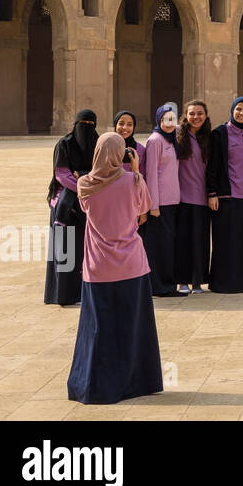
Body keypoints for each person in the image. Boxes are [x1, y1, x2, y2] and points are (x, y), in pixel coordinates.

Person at [67, 131, 163, 404]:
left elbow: (86, 209)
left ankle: (95, 385)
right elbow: (143, 210)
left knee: (98, 328)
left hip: (98, 267)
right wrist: (135, 172)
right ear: (121, 153)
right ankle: (136, 383)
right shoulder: (133, 181)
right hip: (132, 265)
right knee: (133, 326)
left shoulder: (85, 183)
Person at [45, 110, 98, 306]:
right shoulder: (64, 144)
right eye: (82, 123)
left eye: (90, 124)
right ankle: (63, 294)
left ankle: (84, 293)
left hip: (89, 204)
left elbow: (101, 170)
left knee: (85, 250)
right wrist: (86, 187)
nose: (86, 127)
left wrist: (84, 180)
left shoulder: (99, 143)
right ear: (75, 124)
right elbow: (62, 175)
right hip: (65, 205)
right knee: (64, 249)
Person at [207, 97, 243, 293]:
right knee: (225, 241)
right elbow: (212, 165)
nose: (241, 113)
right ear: (232, 110)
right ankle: (222, 283)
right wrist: (212, 193)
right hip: (226, 196)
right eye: (238, 109)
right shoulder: (220, 133)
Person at [174, 100, 216, 294]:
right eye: (192, 113)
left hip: (202, 198)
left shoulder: (209, 138)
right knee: (183, 242)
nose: (196, 117)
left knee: (201, 242)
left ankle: (198, 281)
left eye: (200, 113)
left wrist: (212, 194)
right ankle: (182, 281)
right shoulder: (178, 136)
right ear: (186, 115)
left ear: (206, 115)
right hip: (182, 198)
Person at [140, 103, 181, 298]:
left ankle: (168, 284)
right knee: (159, 247)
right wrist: (153, 205)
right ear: (159, 120)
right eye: (166, 119)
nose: (170, 122)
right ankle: (159, 286)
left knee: (168, 246)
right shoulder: (155, 141)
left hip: (172, 202)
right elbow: (151, 174)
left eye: (173, 118)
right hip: (160, 204)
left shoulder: (172, 139)